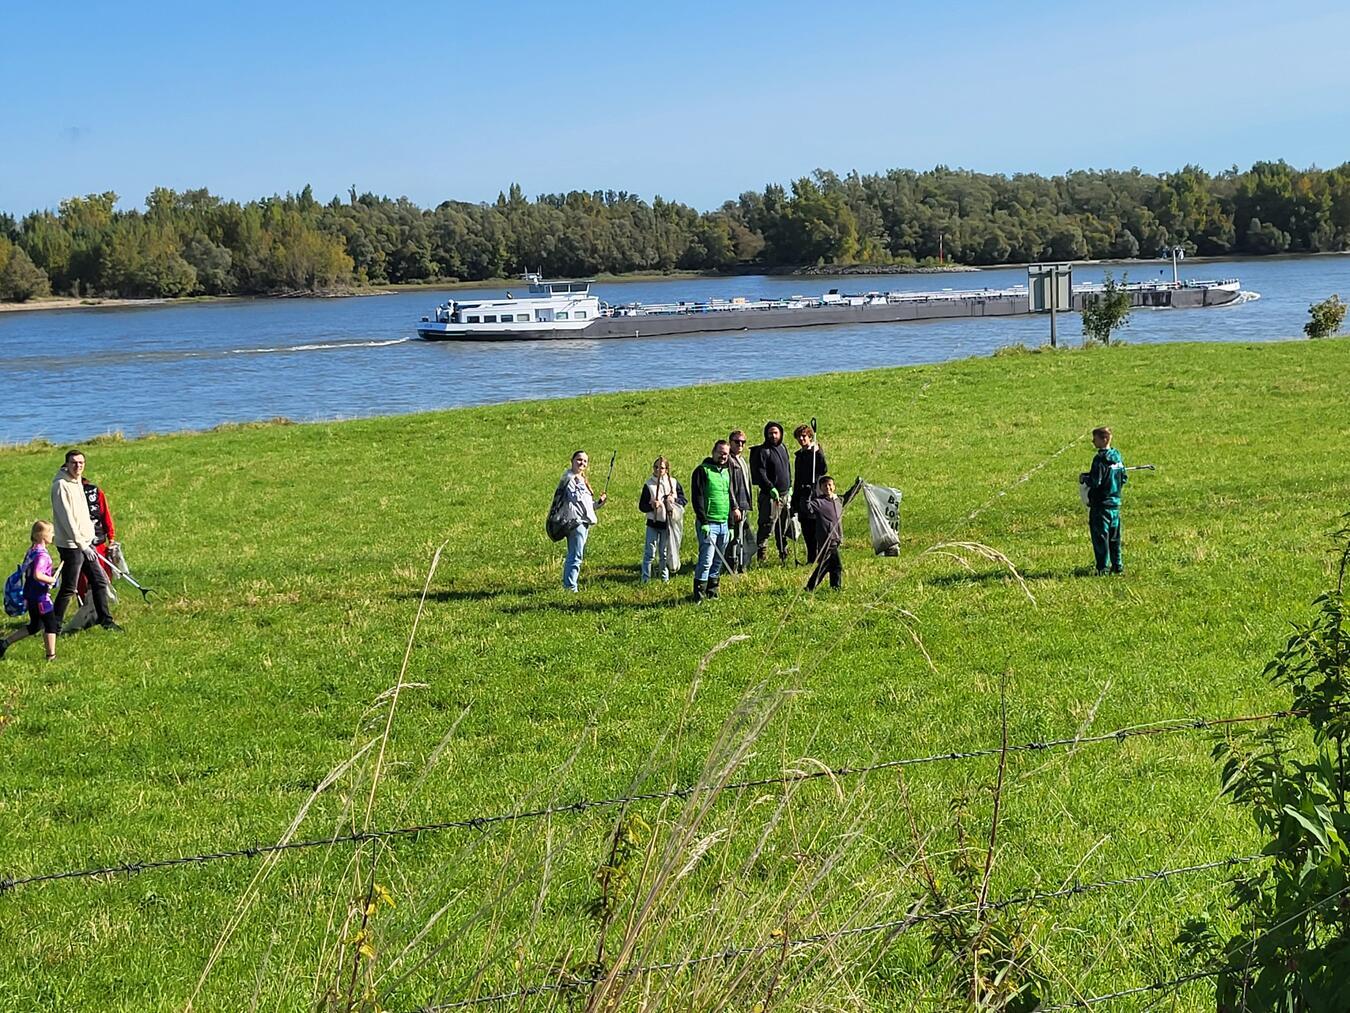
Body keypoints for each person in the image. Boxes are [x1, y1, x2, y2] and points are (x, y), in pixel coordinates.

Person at [50, 449, 120, 632]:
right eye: (74, 463)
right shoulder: (60, 485)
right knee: (69, 587)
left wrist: (89, 540)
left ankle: (106, 620)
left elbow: (82, 514)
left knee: (99, 581)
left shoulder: (77, 482)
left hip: (85, 543)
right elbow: (67, 519)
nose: (78, 466)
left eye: (81, 463)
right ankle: (54, 626)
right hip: (71, 545)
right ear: (66, 464)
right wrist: (82, 545)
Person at [0, 521, 59, 662]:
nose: (53, 535)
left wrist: (52, 572)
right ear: (42, 536)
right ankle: (51, 656)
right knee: (51, 624)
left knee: (35, 625)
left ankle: (4, 643)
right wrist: (51, 580)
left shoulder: (32, 551)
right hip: (41, 598)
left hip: (30, 595)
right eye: (50, 533)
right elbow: (38, 575)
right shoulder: (42, 555)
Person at [556, 450, 606, 592]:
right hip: (575, 522)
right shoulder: (569, 479)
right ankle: (570, 587)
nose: (582, 463)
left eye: (584, 461)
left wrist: (598, 504)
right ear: (572, 461)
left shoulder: (581, 480)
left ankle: (570, 584)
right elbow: (575, 500)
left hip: (584, 522)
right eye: (579, 460)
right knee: (576, 555)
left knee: (576, 554)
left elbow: (587, 505)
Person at [690, 439, 733, 602]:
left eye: (726, 454)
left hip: (723, 523)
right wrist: (704, 521)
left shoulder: (726, 472)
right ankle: (699, 594)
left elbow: (728, 498)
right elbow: (697, 497)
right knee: (706, 560)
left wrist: (730, 524)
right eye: (720, 452)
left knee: (718, 560)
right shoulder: (702, 471)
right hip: (709, 524)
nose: (723, 456)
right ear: (713, 452)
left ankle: (712, 591)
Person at [1084, 426, 1128, 575]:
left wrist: (1085, 478)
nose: (1092, 441)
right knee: (1115, 538)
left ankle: (1102, 568)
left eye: (1095, 438)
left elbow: (1096, 482)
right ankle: (1118, 566)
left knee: (1101, 538)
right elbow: (1124, 478)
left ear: (1104, 439)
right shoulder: (1118, 456)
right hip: (1115, 503)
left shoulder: (1099, 459)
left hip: (1101, 505)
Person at [637, 457, 685, 583]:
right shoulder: (649, 485)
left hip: (668, 523)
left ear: (667, 470)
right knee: (649, 553)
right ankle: (645, 579)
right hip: (653, 523)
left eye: (661, 468)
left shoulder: (673, 483)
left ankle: (665, 579)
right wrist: (652, 506)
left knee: (664, 552)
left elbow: (683, 500)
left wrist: (673, 501)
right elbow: (642, 506)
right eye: (656, 467)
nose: (658, 470)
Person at [749, 421, 791, 563]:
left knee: (783, 526)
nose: (773, 435)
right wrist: (770, 487)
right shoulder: (762, 451)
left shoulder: (783, 448)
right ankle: (762, 554)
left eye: (776, 433)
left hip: (785, 495)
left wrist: (790, 486)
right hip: (770, 497)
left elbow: (787, 468)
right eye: (770, 433)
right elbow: (760, 473)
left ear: (780, 434)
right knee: (767, 525)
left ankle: (783, 552)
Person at [791, 424, 828, 564]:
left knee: (815, 528)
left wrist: (818, 452)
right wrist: (794, 500)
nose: (801, 439)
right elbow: (797, 478)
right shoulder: (799, 456)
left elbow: (823, 469)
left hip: (815, 496)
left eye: (804, 436)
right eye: (799, 437)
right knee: (806, 528)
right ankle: (811, 558)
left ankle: (820, 557)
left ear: (810, 437)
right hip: (802, 496)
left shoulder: (815, 453)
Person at [804, 476, 844, 591]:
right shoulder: (819, 502)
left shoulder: (838, 500)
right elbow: (807, 508)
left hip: (836, 537)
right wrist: (806, 496)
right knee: (836, 565)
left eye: (830, 485)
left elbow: (848, 496)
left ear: (834, 486)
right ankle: (835, 587)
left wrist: (856, 487)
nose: (828, 487)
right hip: (827, 538)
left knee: (826, 565)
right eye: (825, 486)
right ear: (820, 488)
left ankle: (812, 587)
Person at [725, 430, 753, 573]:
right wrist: (734, 506)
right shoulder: (728, 461)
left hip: (744, 504)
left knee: (742, 537)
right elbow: (728, 486)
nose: (740, 444)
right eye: (737, 442)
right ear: (730, 443)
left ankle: (742, 564)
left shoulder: (741, 459)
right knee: (734, 537)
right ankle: (732, 566)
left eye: (743, 442)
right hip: (735, 506)